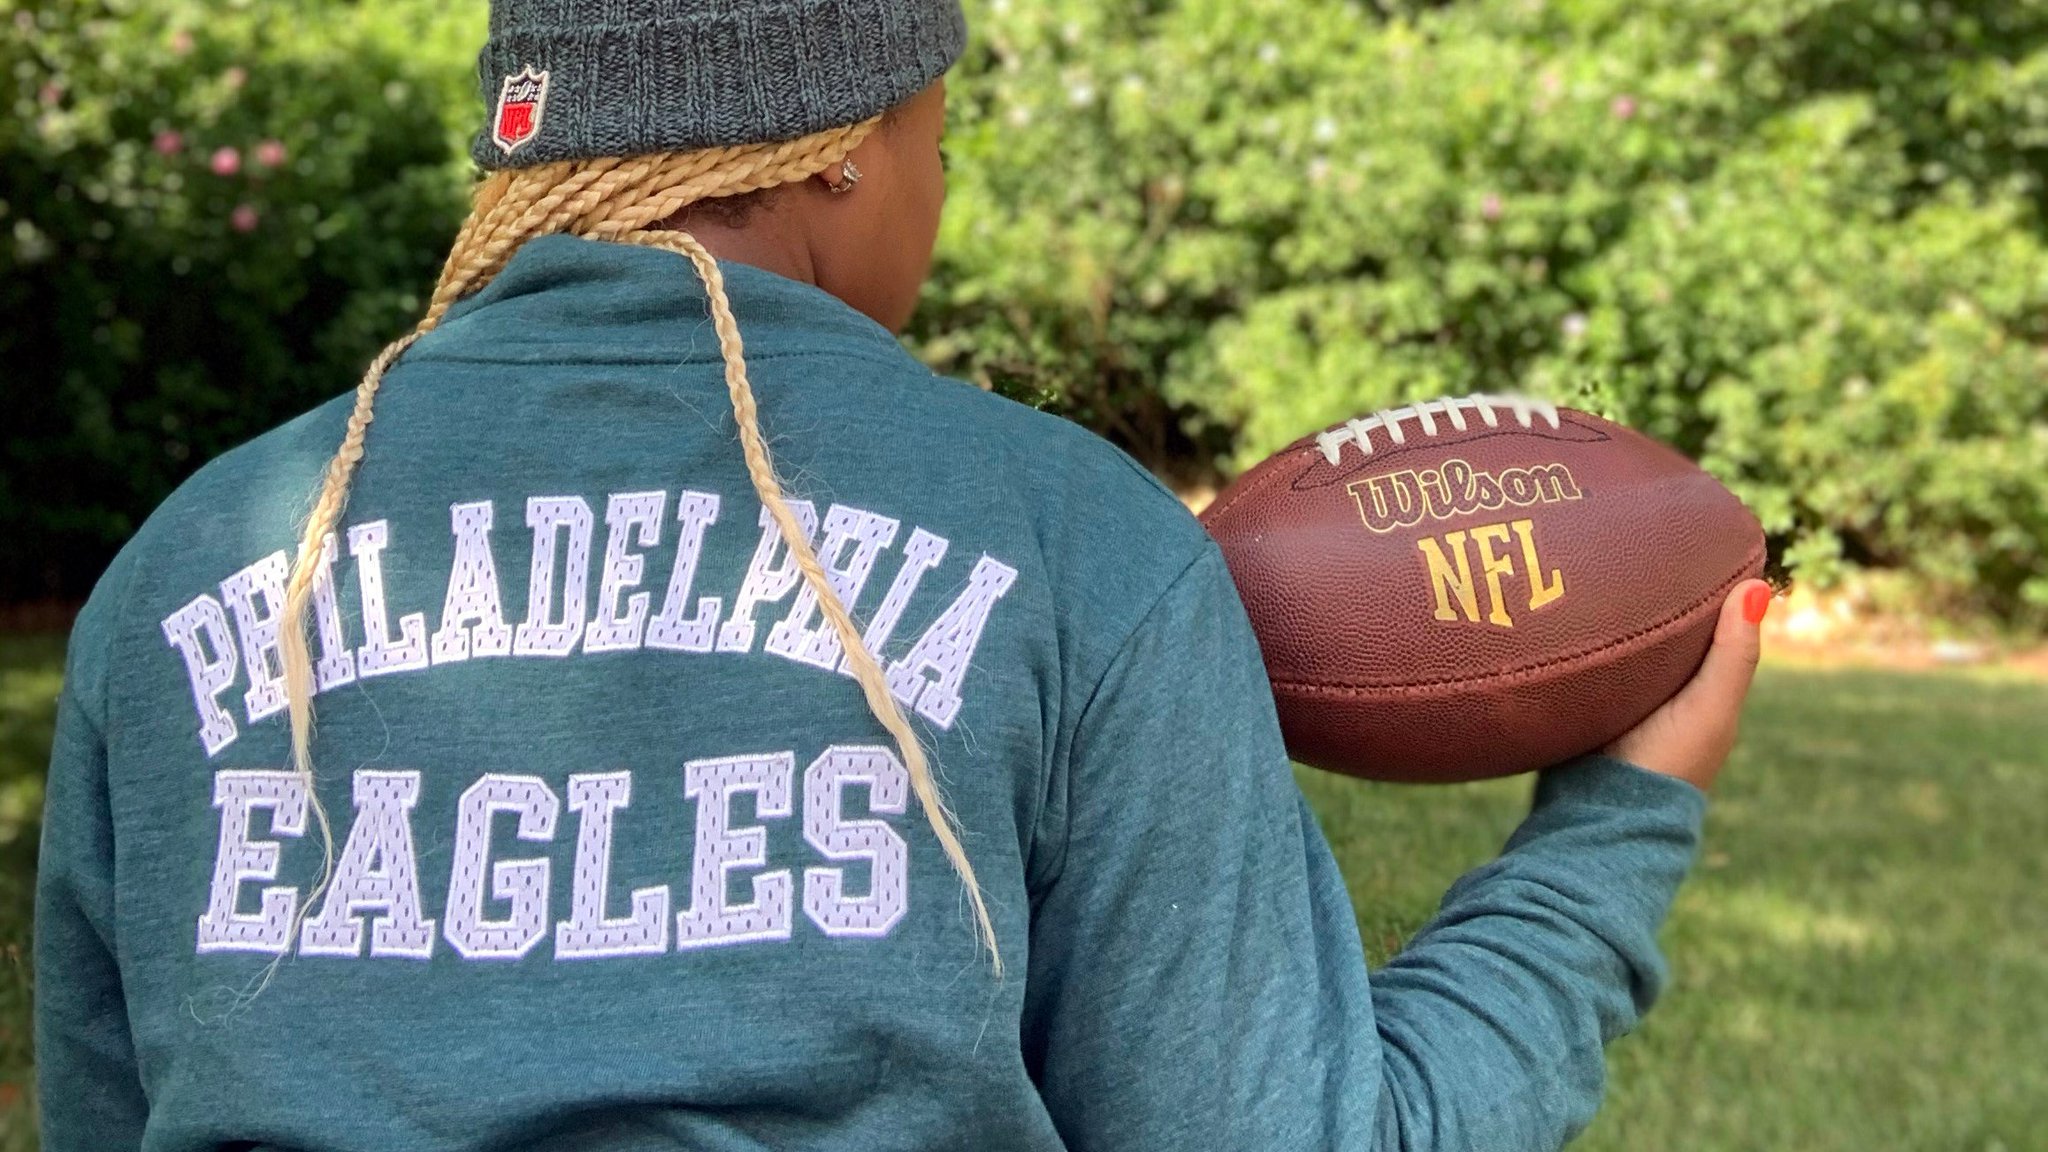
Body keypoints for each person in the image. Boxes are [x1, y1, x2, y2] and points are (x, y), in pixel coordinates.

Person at [33, 1, 1772, 1148]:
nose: (939, 179)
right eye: (944, 129)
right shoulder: (1072, 541)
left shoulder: (187, 565)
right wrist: (1615, 828)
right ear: (842, 142)